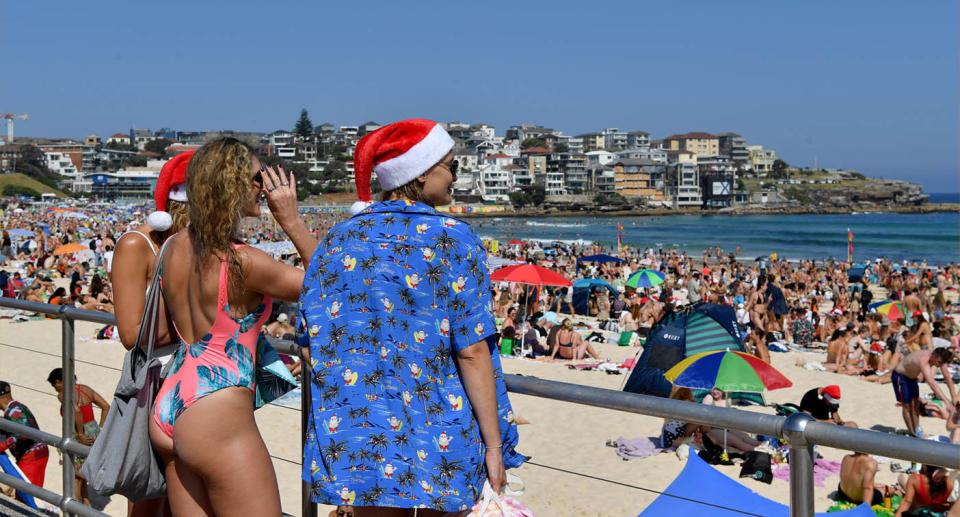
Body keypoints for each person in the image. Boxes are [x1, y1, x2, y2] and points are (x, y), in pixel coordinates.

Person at [298, 119, 524, 514]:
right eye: (451, 166)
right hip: (440, 429)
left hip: (360, 430)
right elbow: (471, 351)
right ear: (420, 172)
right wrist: (493, 446)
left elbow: (312, 342)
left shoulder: (337, 239)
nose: (456, 176)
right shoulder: (453, 237)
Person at [148, 137, 316, 516]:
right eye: (257, 179)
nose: (264, 187)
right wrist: (289, 219)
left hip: (173, 396)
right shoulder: (244, 263)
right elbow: (332, 281)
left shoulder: (174, 245)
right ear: (232, 185)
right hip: (217, 411)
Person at [47, 368, 109, 506]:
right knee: (82, 472)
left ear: (59, 382)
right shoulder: (85, 389)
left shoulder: (64, 394)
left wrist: (80, 434)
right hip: (93, 432)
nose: (55, 389)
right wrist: (100, 430)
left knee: (76, 476)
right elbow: (106, 406)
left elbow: (76, 410)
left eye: (54, 385)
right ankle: (86, 502)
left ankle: (74, 508)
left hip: (78, 434)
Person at [893, 348, 957, 437]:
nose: (939, 365)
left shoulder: (939, 358)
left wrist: (954, 397)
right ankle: (912, 433)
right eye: (938, 362)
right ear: (933, 356)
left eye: (941, 363)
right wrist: (946, 402)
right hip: (900, 376)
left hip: (912, 379)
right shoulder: (924, 360)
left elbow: (948, 377)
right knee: (907, 406)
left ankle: (917, 431)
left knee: (915, 405)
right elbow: (932, 383)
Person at [0, 381, 49, 491]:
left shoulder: (13, 412)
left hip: (31, 456)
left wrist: (2, 446)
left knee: (26, 492)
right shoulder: (16, 406)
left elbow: (22, 434)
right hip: (36, 453)